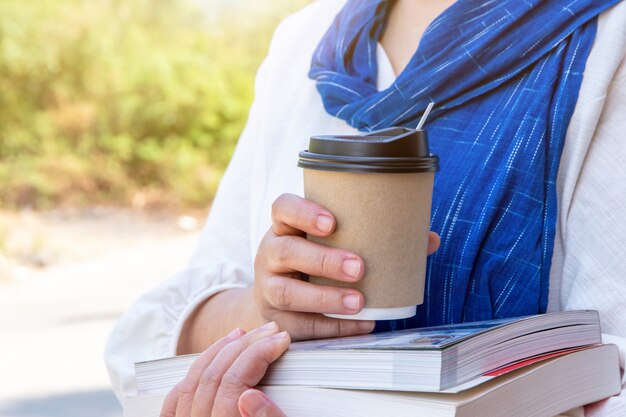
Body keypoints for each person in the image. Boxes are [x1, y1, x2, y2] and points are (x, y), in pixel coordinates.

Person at [105, 0, 626, 416]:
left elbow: (610, 372)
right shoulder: (307, 43)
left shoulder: (606, 36)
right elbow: (150, 349)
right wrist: (266, 310)